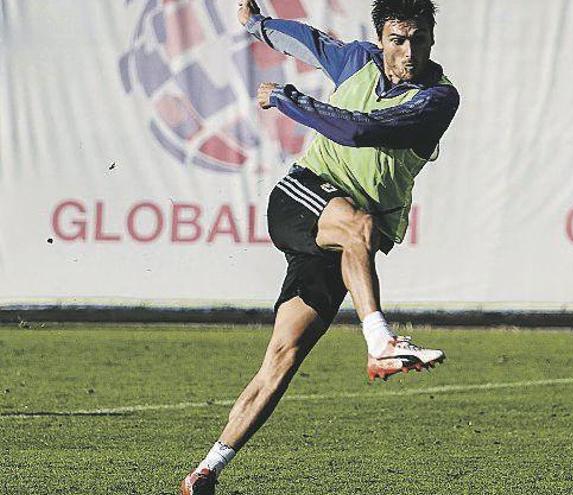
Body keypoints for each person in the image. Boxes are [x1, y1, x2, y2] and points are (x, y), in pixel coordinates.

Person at [180, 0, 459, 493]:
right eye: (398, 39)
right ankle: (380, 340)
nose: (409, 50)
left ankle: (207, 470)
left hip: (347, 234)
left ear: (432, 39)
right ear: (381, 41)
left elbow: (360, 130)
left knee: (283, 357)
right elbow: (307, 42)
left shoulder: (438, 99)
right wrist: (255, 25)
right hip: (301, 199)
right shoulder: (356, 60)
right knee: (360, 224)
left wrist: (286, 100)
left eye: (418, 38)